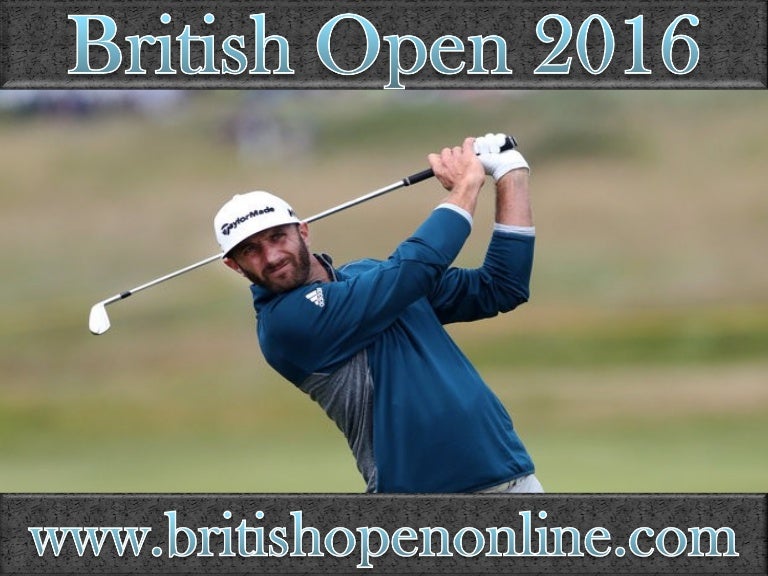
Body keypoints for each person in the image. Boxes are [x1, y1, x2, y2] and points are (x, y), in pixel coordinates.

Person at [213, 134, 542, 494]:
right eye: (250, 250)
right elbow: (413, 269)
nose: (272, 256)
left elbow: (500, 287)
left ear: (303, 231)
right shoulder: (285, 324)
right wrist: (465, 187)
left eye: (278, 237)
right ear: (234, 265)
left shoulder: (371, 276)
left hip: (514, 480)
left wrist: (510, 173)